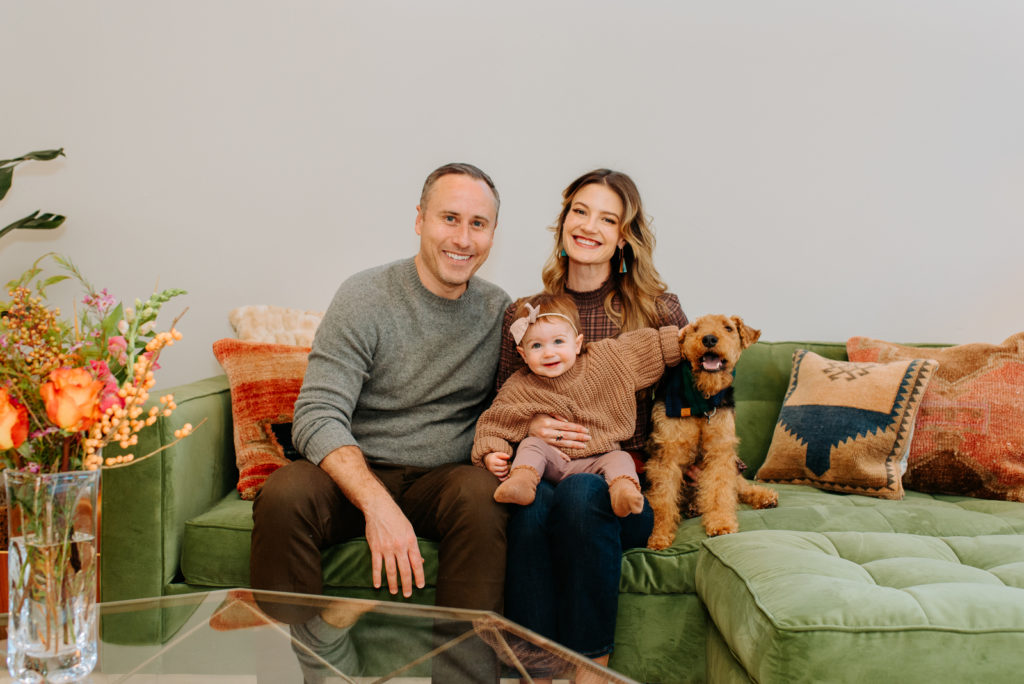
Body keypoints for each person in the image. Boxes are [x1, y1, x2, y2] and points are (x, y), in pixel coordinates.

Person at [250, 162, 512, 681]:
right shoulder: (365, 296)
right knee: (283, 495)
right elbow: (317, 413)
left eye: (478, 224)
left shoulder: (499, 311)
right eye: (449, 218)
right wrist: (377, 504)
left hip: (445, 480)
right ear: (419, 220)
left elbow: (522, 398)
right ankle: (307, 669)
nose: (462, 238)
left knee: (485, 497)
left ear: (492, 234)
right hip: (354, 472)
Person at [495, 168, 688, 678]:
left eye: (608, 218)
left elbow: (695, 401)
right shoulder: (527, 314)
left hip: (625, 487)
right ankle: (535, 668)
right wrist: (531, 426)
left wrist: (718, 471)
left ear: (623, 236)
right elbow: (503, 404)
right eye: (580, 211)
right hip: (547, 477)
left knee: (582, 495)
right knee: (531, 504)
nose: (589, 226)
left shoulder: (657, 310)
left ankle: (590, 666)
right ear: (563, 222)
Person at [474, 293, 681, 518]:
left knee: (620, 458)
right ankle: (522, 482)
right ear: (523, 355)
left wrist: (678, 340)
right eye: (536, 345)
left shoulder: (605, 361)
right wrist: (492, 454)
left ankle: (623, 491)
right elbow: (493, 423)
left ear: (577, 343)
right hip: (551, 465)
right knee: (531, 445)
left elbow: (646, 349)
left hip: (598, 461)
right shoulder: (519, 387)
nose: (549, 353)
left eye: (558, 341)